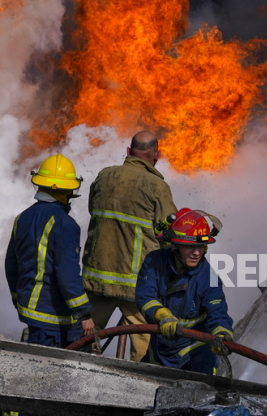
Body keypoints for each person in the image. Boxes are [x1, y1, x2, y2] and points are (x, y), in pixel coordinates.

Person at [82, 130, 177, 361]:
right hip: (136, 287)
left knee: (83, 342)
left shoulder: (104, 176)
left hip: (97, 281)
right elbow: (169, 235)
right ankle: (137, 393)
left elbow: (92, 211)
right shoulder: (157, 187)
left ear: (128, 152)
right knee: (144, 352)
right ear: (157, 155)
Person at [5, 153, 94, 348]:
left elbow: (11, 265)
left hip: (29, 311)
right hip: (53, 318)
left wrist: (17, 298)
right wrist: (84, 313)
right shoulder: (66, 224)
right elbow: (67, 273)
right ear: (68, 190)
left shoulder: (22, 217)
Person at [136, 208, 234, 375]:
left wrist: (221, 333)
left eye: (201, 246)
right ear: (174, 246)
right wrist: (162, 315)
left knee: (203, 393)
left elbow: (217, 310)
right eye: (190, 247)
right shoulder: (154, 261)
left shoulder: (209, 276)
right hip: (161, 351)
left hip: (197, 351)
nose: (196, 253)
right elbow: (145, 296)